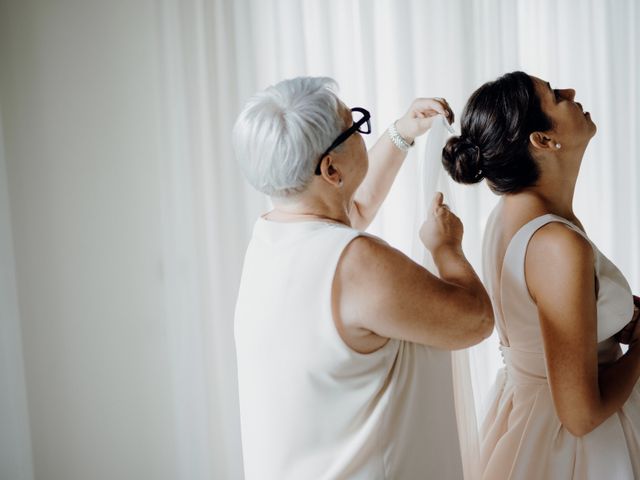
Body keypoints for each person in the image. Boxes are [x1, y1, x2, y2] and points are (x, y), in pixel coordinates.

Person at [232, 76, 494, 479]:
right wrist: (447, 249)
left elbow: (348, 211)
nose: (361, 131)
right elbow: (474, 321)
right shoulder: (356, 262)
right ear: (331, 167)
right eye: (354, 126)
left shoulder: (271, 238)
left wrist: (401, 132)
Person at [442, 71, 640, 479]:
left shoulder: (513, 213)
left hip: (527, 417)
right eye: (555, 95)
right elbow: (581, 416)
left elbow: (541, 324)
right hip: (575, 452)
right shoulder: (554, 244)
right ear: (543, 140)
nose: (570, 92)